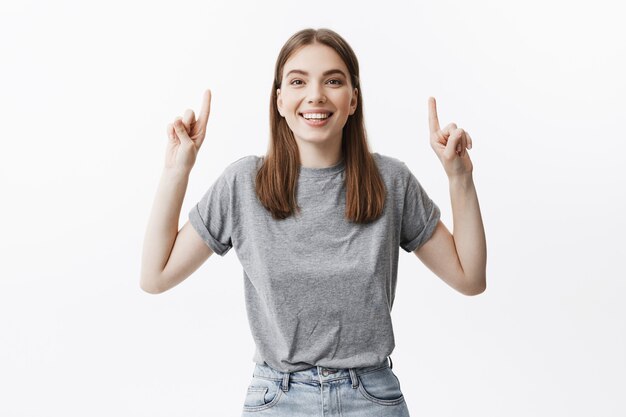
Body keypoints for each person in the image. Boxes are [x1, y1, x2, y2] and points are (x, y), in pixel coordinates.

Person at [140, 28, 486, 417]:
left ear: (353, 99)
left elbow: (469, 278)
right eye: (298, 81)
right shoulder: (243, 185)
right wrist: (177, 170)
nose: (316, 95)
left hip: (372, 399)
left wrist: (459, 177)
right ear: (280, 100)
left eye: (333, 81)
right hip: (278, 398)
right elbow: (156, 276)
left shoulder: (390, 181)